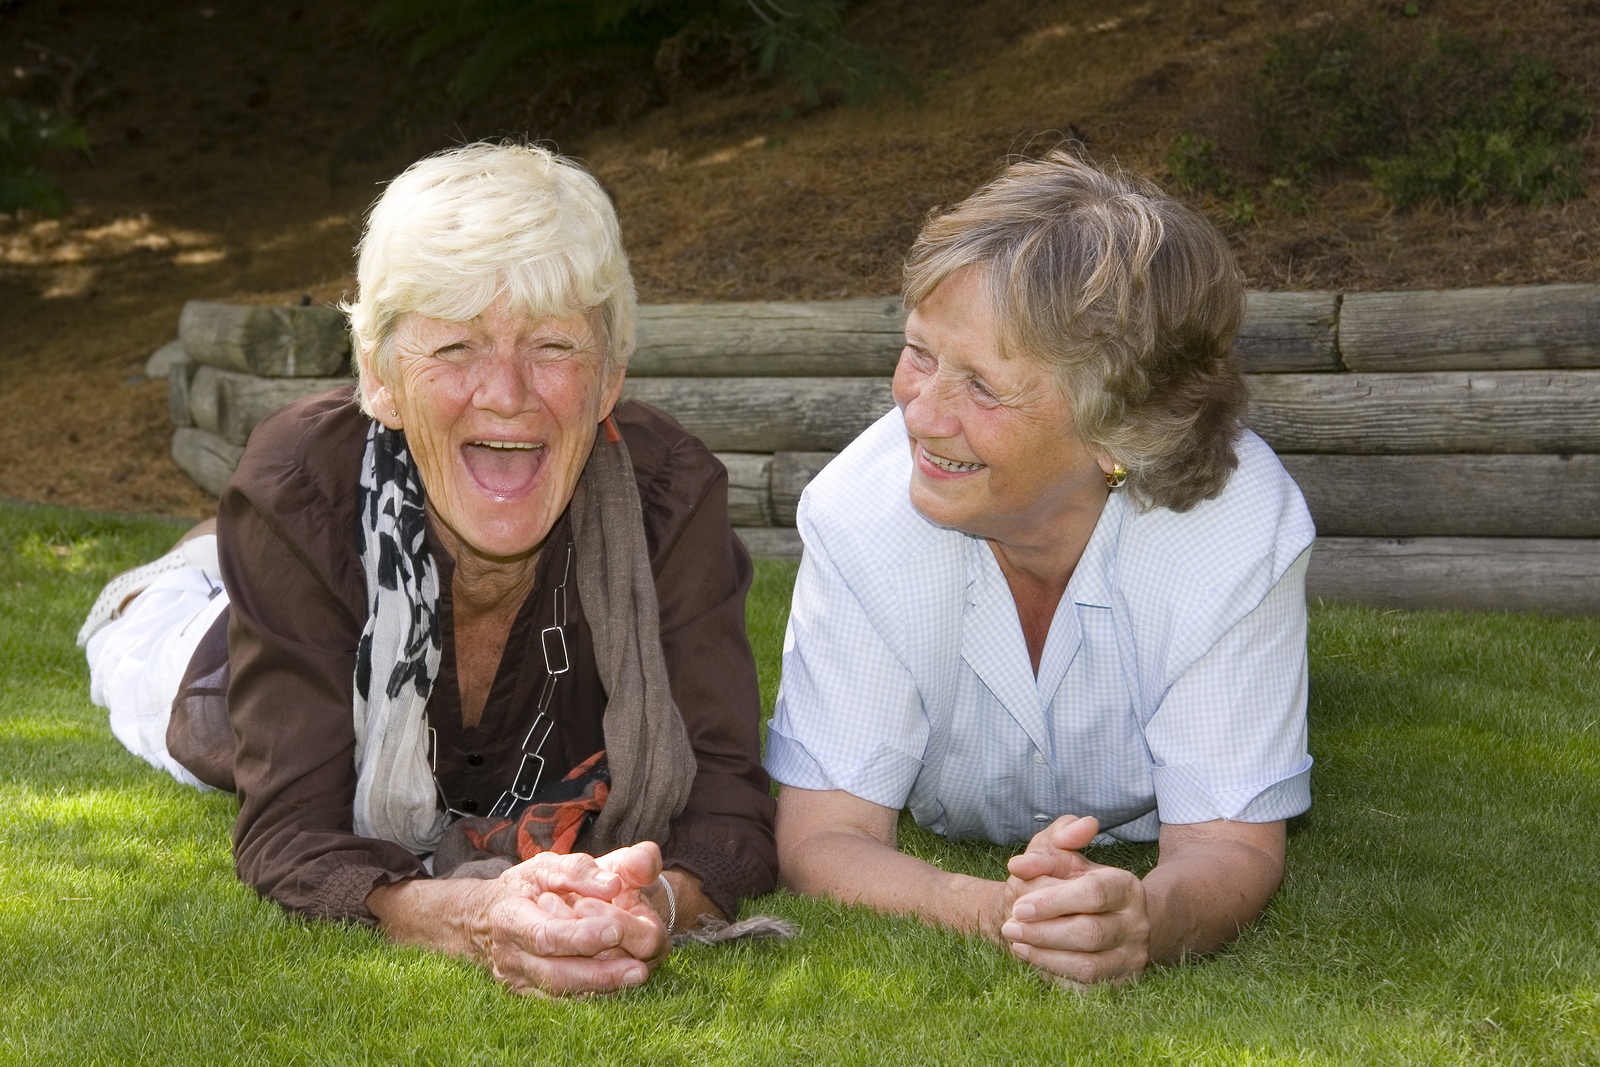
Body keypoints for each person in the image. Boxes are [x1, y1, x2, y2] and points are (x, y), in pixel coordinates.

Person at [80, 142, 777, 996]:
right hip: (206, 657)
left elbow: (732, 805)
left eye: (553, 344)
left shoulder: (670, 494)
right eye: (456, 346)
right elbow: (289, 832)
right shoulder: (300, 489)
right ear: (379, 377)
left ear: (609, 380)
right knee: (137, 649)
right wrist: (477, 917)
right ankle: (191, 567)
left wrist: (654, 905)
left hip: (320, 564)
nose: (507, 390)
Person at [764, 151, 1315, 987]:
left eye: (982, 386)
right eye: (919, 352)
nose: (920, 412)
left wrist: (1145, 919)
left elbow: (1229, 844)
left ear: (1121, 430)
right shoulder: (857, 515)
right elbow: (823, 832)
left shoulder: (1235, 533)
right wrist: (998, 910)